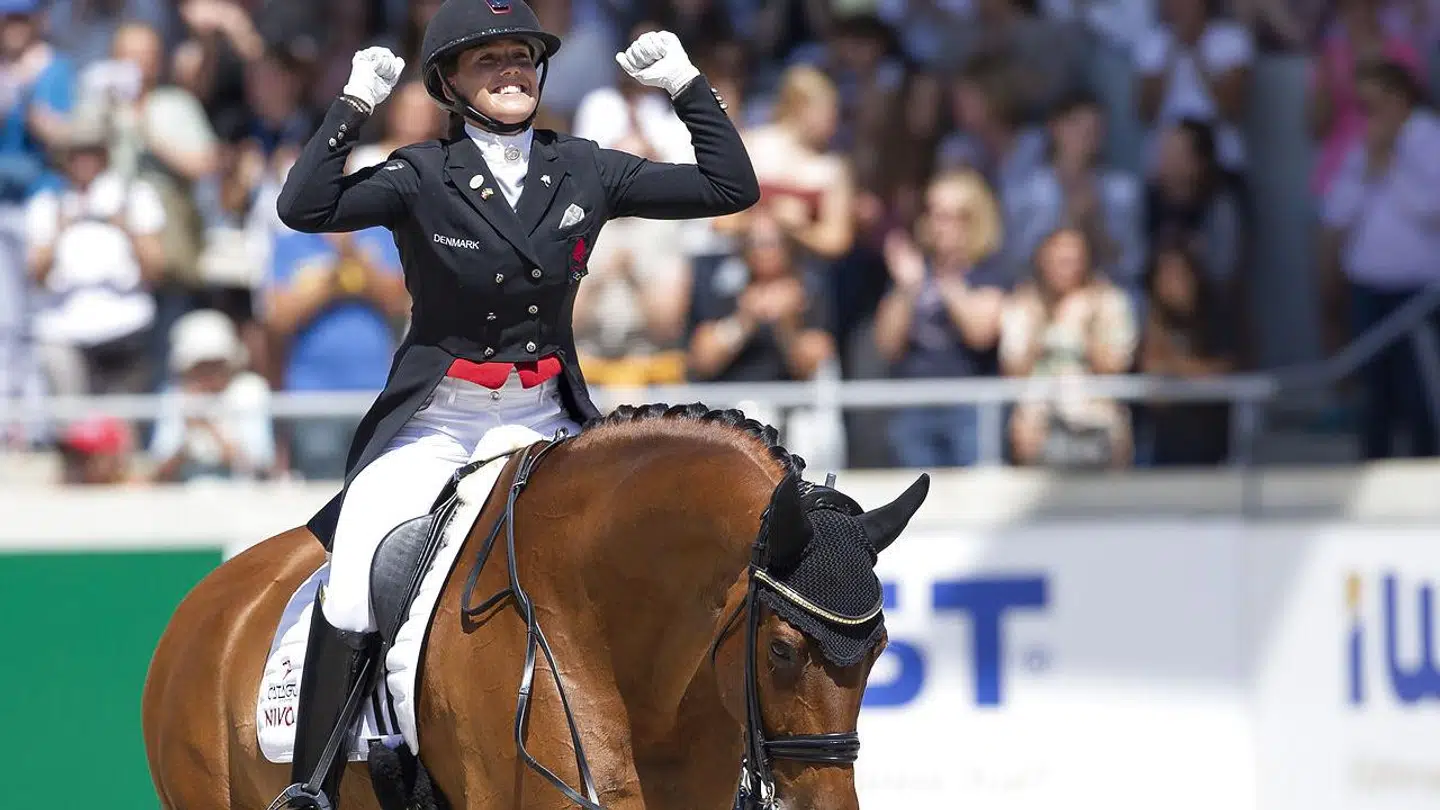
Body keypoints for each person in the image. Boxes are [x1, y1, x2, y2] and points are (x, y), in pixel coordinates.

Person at [267, 0, 760, 806]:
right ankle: (312, 786)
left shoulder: (585, 168)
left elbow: (729, 186)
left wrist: (686, 84)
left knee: (655, 556)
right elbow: (305, 206)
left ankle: (716, 765)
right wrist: (352, 105)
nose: (511, 71)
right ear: (450, 84)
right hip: (442, 422)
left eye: (523, 57)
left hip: (550, 420)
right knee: (355, 569)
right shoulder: (422, 175)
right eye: (488, 59)